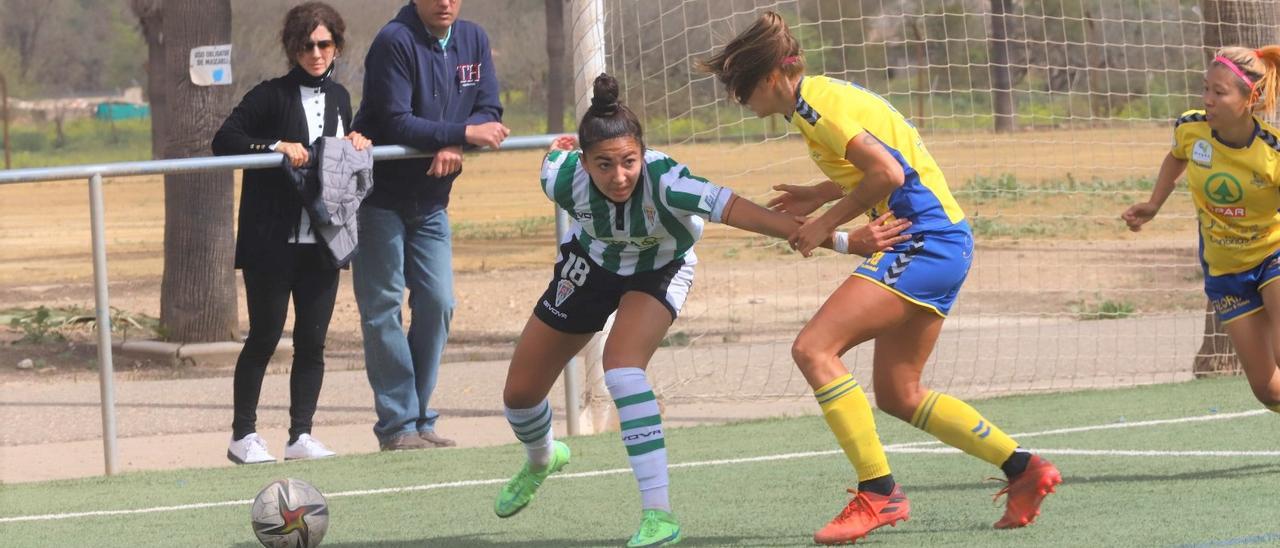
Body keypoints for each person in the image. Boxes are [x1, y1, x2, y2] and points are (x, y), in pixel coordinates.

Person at [491, 73, 911, 548]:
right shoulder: (561, 179)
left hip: (660, 270)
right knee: (520, 396)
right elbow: (553, 156)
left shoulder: (670, 182)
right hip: (591, 265)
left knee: (623, 373)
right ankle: (543, 458)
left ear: (643, 155)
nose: (619, 176)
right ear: (585, 164)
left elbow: (750, 215)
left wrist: (839, 239)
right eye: (604, 165)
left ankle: (658, 517)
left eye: (629, 161)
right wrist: (561, 148)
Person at [700, 12, 1062, 544]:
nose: (738, 100)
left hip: (925, 239)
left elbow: (889, 175)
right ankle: (1023, 467)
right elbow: (880, 163)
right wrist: (820, 193)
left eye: (740, 87)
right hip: (944, 240)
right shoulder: (816, 102)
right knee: (899, 393)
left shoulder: (816, 108)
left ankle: (880, 494)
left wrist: (825, 222)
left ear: (772, 78)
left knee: (814, 349)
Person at [212, 1, 371, 464]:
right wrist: (274, 146)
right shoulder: (269, 95)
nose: (315, 52)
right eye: (306, 45)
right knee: (264, 335)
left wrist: (358, 140)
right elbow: (225, 139)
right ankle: (243, 436)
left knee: (312, 341)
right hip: (271, 241)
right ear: (292, 48)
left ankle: (301, 435)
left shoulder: (341, 97)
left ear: (337, 46)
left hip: (322, 240)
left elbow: (341, 150)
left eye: (324, 43)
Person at [351, 0, 509, 451]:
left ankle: (419, 419)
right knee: (382, 309)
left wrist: (457, 133)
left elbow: (489, 110)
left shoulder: (473, 37)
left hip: (433, 202)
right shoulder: (393, 42)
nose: (445, 2)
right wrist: (456, 134)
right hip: (380, 199)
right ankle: (398, 425)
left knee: (439, 303)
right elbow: (395, 121)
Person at [1123, 46, 1280, 416]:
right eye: (1205, 88)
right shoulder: (1191, 128)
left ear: (1250, 99)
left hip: (1273, 255)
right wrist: (1154, 204)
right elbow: (1177, 155)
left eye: (1220, 92)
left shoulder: (1273, 152)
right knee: (1269, 392)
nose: (1208, 99)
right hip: (1225, 271)